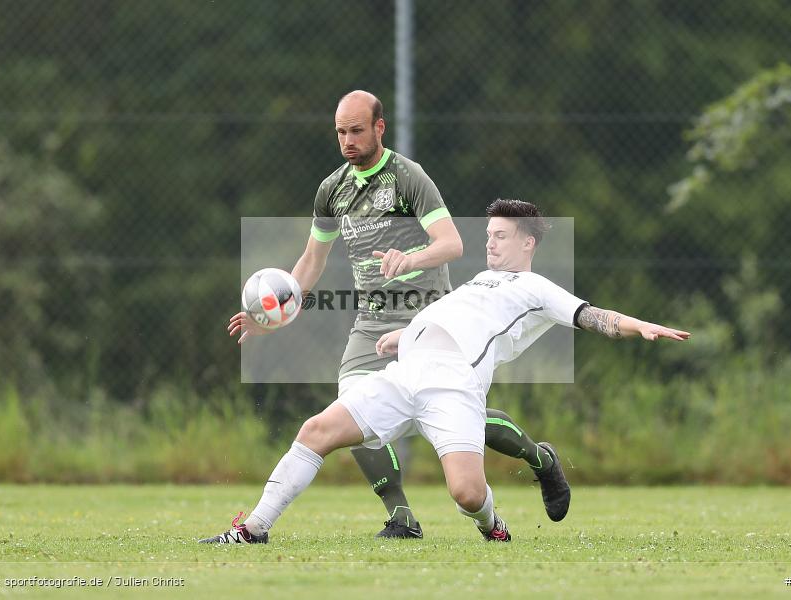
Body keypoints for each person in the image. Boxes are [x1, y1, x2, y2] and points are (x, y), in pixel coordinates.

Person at [202, 199, 690, 544]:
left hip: (454, 387)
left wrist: (638, 325)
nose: (491, 244)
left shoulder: (536, 288)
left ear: (527, 244)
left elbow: (590, 316)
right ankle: (253, 529)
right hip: (405, 370)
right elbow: (448, 315)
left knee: (466, 493)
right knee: (316, 430)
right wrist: (406, 335)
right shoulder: (480, 278)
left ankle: (492, 523)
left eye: (500, 236)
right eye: (488, 235)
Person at [230, 91, 569, 539]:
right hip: (369, 324)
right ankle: (401, 516)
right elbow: (312, 260)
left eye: (355, 130)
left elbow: (452, 244)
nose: (347, 140)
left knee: (458, 417)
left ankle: (538, 458)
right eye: (340, 132)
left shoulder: (408, 177)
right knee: (350, 411)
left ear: (378, 128)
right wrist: (275, 312)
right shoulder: (332, 190)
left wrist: (409, 259)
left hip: (429, 321)